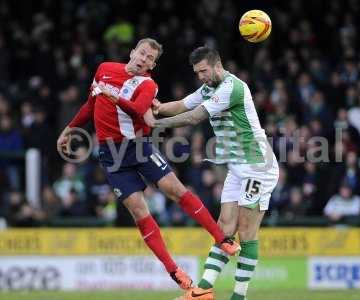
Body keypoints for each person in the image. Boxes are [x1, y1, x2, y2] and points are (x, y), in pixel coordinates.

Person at [56, 39, 240, 290]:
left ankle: (222, 239)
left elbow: (138, 110)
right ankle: (174, 270)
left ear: (152, 64)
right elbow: (91, 104)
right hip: (111, 156)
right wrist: (69, 129)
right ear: (132, 52)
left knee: (176, 190)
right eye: (142, 53)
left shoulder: (147, 84)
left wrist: (115, 97)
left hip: (138, 148)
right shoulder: (104, 69)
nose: (144, 59)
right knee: (139, 212)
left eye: (150, 58)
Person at [147, 46, 279, 300]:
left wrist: (155, 124)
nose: (201, 77)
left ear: (217, 65)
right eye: (197, 73)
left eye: (204, 71)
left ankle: (238, 297)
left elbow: (193, 117)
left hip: (257, 167)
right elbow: (183, 104)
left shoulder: (232, 87)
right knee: (223, 228)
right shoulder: (208, 88)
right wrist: (160, 107)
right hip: (237, 167)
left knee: (245, 231)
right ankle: (203, 291)